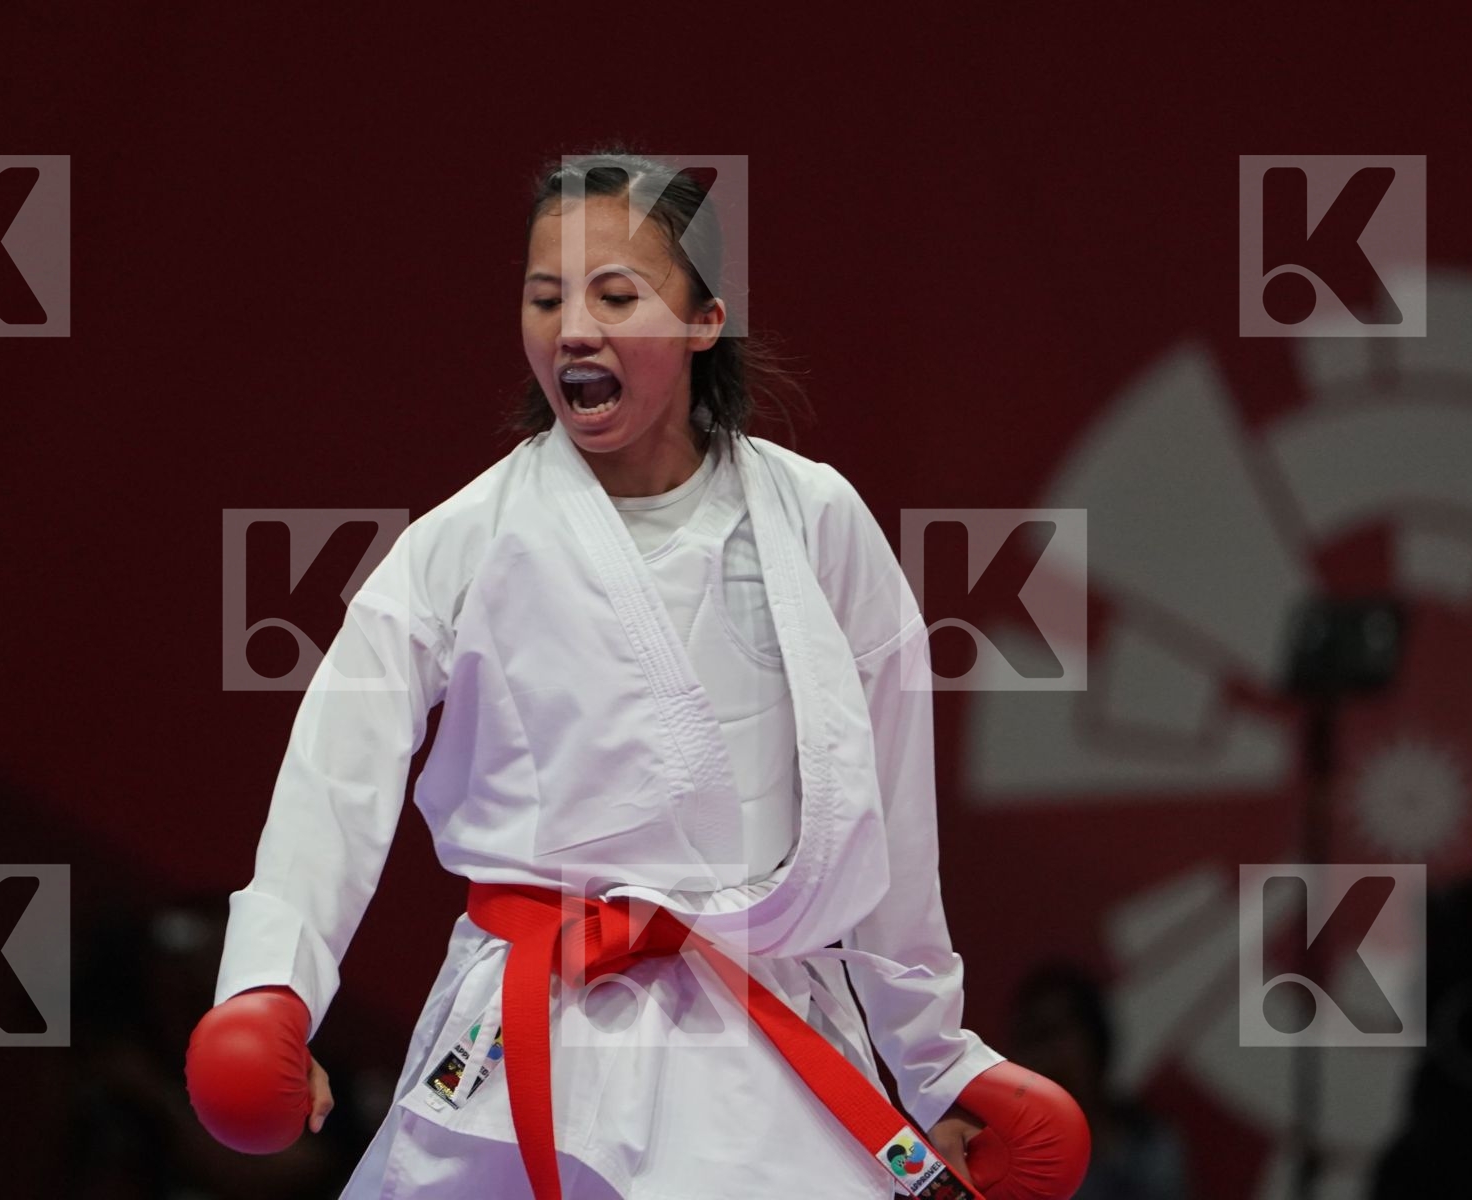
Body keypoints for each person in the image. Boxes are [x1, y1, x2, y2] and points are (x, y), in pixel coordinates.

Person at [184, 145, 1091, 1199]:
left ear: (707, 320)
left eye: (617, 293)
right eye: (545, 296)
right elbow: (336, 776)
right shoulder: (467, 541)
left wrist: (937, 1061)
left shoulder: (817, 522)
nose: (573, 326)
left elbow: (884, 809)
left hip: (764, 1036)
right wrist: (269, 992)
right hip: (528, 1036)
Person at [1008, 964, 1188, 1200]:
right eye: (1033, 1039)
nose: (1047, 1056)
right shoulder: (1006, 1162)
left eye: (1056, 1033)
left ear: (1095, 1043)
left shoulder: (1150, 1148)